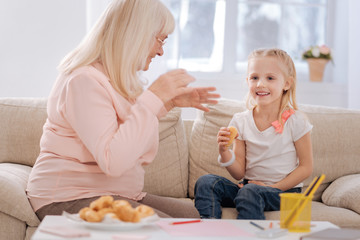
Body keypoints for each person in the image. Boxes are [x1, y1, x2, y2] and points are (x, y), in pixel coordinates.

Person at [26, 0, 220, 220]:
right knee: (164, 228)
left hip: (113, 193)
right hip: (67, 197)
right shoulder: (84, 81)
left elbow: (136, 149)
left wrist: (166, 104)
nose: (160, 51)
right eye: (159, 40)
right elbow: (114, 162)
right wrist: (153, 98)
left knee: (192, 216)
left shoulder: (118, 81)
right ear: (137, 34)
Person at [194, 48, 313, 219]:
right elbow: (238, 173)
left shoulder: (296, 121)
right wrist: (224, 151)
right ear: (247, 81)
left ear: (287, 83)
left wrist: (273, 188)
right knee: (206, 182)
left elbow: (306, 167)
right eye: (254, 77)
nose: (260, 84)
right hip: (248, 189)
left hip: (284, 192)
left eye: (270, 78)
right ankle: (210, 230)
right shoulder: (240, 121)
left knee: (249, 192)